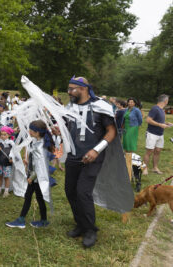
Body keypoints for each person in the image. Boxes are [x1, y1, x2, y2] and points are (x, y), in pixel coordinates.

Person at [64, 77, 117, 248]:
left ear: (84, 89)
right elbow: (67, 128)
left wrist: (96, 150)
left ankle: (90, 230)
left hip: (92, 157)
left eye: (72, 88)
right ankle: (80, 224)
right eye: (69, 88)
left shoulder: (101, 107)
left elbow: (111, 131)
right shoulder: (69, 107)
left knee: (83, 192)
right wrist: (60, 131)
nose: (69, 91)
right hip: (73, 155)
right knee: (70, 191)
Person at [5, 120, 53, 229]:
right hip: (36, 177)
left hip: (37, 178)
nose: (29, 131)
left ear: (37, 133)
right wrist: (29, 161)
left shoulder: (40, 147)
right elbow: (36, 161)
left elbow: (41, 166)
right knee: (34, 197)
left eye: (31, 130)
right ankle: (40, 220)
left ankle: (23, 220)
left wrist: (31, 177)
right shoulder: (37, 142)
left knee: (32, 197)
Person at [143, 94, 172, 175]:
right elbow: (148, 120)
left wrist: (166, 123)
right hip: (152, 133)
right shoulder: (155, 108)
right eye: (167, 101)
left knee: (158, 151)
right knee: (149, 151)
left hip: (160, 134)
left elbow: (159, 121)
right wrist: (160, 125)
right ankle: (144, 168)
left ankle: (155, 168)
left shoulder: (162, 110)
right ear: (165, 101)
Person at [122, 97, 142, 180]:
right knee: (125, 140)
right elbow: (124, 118)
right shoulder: (126, 110)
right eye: (129, 102)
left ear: (134, 103)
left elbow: (140, 119)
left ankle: (130, 155)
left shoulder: (136, 110)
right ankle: (126, 154)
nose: (130, 103)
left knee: (130, 141)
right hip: (126, 126)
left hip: (133, 127)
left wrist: (137, 126)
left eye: (132, 102)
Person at [0, 126, 15, 197]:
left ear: (8, 135)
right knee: (0, 176)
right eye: (1, 134)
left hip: (7, 163)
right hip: (0, 162)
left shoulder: (11, 143)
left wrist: (12, 158)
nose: (3, 136)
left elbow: (14, 152)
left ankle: (6, 191)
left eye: (5, 134)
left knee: (6, 177)